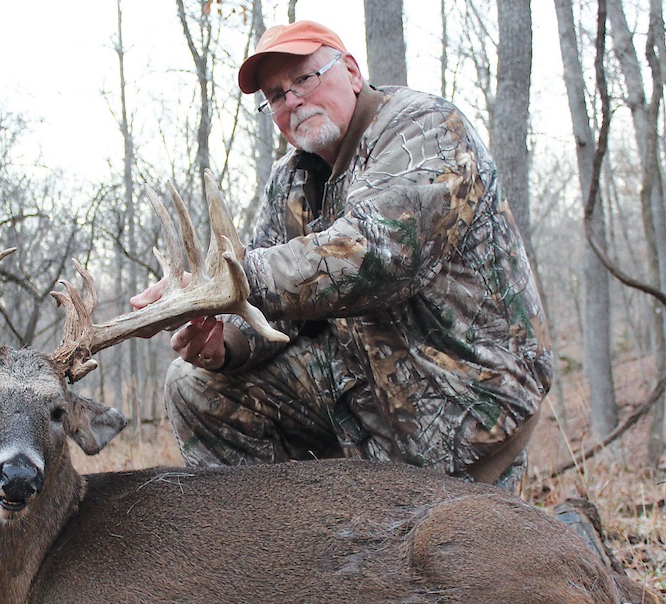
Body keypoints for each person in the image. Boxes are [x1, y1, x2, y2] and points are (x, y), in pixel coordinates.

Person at [131, 20, 552, 491]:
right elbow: (278, 318)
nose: (292, 100)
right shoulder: (289, 183)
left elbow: (371, 255)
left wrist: (230, 277)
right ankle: (267, 553)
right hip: (364, 397)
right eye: (275, 95)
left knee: (455, 558)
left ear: (351, 71)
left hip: (464, 408)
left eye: (304, 79)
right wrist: (225, 343)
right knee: (194, 384)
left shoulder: (424, 128)